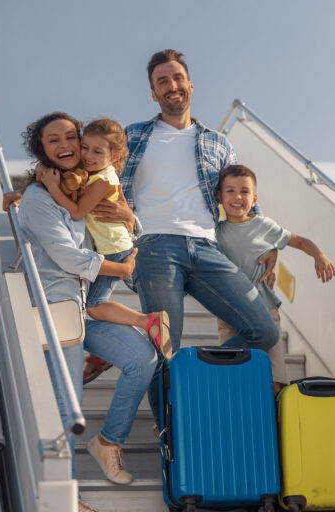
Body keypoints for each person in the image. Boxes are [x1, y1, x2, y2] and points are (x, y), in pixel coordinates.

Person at [114, 48, 280, 411]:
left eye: (177, 78)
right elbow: (92, 172)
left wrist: (266, 240)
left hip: (206, 247)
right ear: (153, 94)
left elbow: (241, 191)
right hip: (154, 246)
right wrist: (32, 184)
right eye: (162, 81)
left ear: (190, 84)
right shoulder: (132, 136)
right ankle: (167, 432)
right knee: (163, 344)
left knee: (264, 330)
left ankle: (190, 373)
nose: (171, 86)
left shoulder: (217, 142)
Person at [16, 112, 158, 511]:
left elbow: (121, 221)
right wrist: (124, 268)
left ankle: (107, 441)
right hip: (57, 307)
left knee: (143, 358)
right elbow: (68, 257)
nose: (64, 144)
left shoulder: (85, 184)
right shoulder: (40, 197)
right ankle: (66, 498)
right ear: (40, 150)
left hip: (86, 306)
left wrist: (132, 219)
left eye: (70, 136)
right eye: (52, 140)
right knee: (67, 403)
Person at [36, 118, 172, 380]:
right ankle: (101, 354)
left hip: (113, 251)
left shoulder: (102, 181)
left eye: (97, 152)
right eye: (85, 147)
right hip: (111, 246)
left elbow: (76, 211)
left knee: (94, 306)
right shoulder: (96, 173)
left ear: (115, 155)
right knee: (92, 304)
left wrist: (53, 187)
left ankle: (149, 321)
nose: (87, 156)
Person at [215, 164, 335, 394]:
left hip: (265, 309)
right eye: (230, 191)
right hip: (230, 314)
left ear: (254, 198)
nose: (238, 197)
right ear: (219, 196)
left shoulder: (264, 226)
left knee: (275, 382)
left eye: (244, 191)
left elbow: (300, 241)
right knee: (234, 378)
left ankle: (274, 426)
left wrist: (318, 255)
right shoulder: (214, 231)